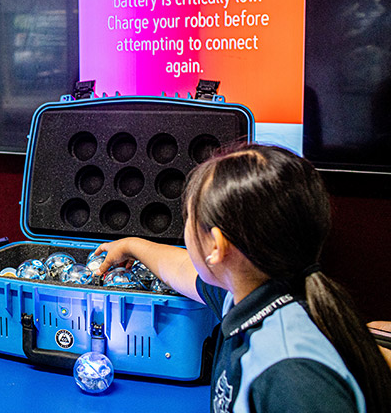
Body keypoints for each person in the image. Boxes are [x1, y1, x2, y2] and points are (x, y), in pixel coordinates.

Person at [93, 144, 391, 412]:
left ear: (217, 247)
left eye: (188, 220)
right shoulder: (247, 291)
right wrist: (130, 245)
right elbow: (181, 268)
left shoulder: (292, 376)